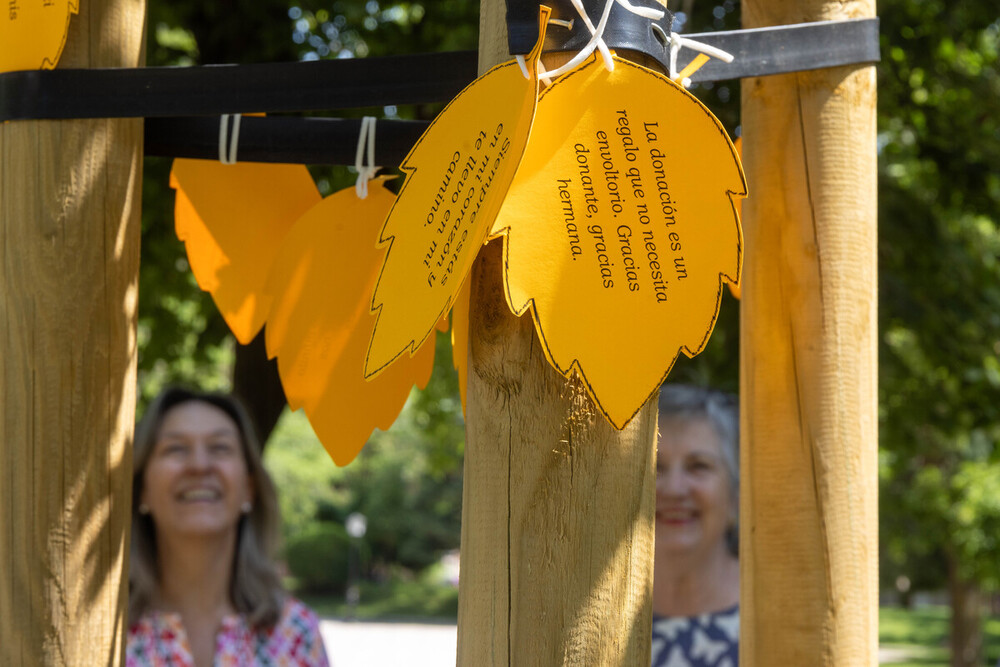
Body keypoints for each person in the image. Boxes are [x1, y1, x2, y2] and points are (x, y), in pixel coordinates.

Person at [126, 387, 330, 666]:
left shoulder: (296, 633)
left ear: (249, 488)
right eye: (176, 448)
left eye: (220, 448)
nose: (199, 465)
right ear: (142, 490)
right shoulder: (101, 632)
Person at [651, 385, 739, 667]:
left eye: (698, 466)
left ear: (736, 495)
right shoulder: (591, 615)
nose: (674, 489)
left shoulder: (780, 612)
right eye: (655, 466)